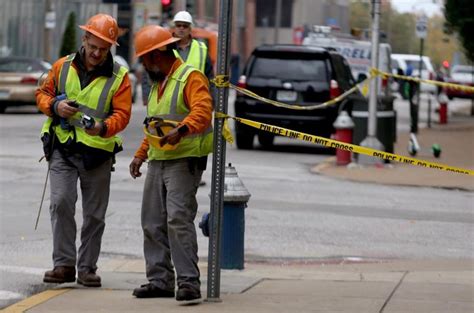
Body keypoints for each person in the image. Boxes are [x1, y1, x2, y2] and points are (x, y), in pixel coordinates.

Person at [35, 13, 132, 288]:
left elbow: (123, 115)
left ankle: (87, 268)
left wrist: (103, 127)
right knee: (61, 202)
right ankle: (64, 265)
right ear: (85, 38)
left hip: (98, 154)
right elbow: (42, 94)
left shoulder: (120, 77)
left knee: (94, 215)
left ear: (110, 47)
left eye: (104, 49)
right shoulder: (62, 66)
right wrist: (55, 106)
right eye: (93, 46)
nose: (97, 53)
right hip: (63, 148)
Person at [129, 25, 213, 304]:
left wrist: (183, 130)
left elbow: (202, 110)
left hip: (183, 160)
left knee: (178, 219)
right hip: (158, 160)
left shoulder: (190, 77)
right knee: (152, 222)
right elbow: (153, 125)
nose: (143, 65)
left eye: (144, 59)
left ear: (158, 54)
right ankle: (160, 280)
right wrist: (141, 154)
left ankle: (188, 282)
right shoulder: (158, 82)